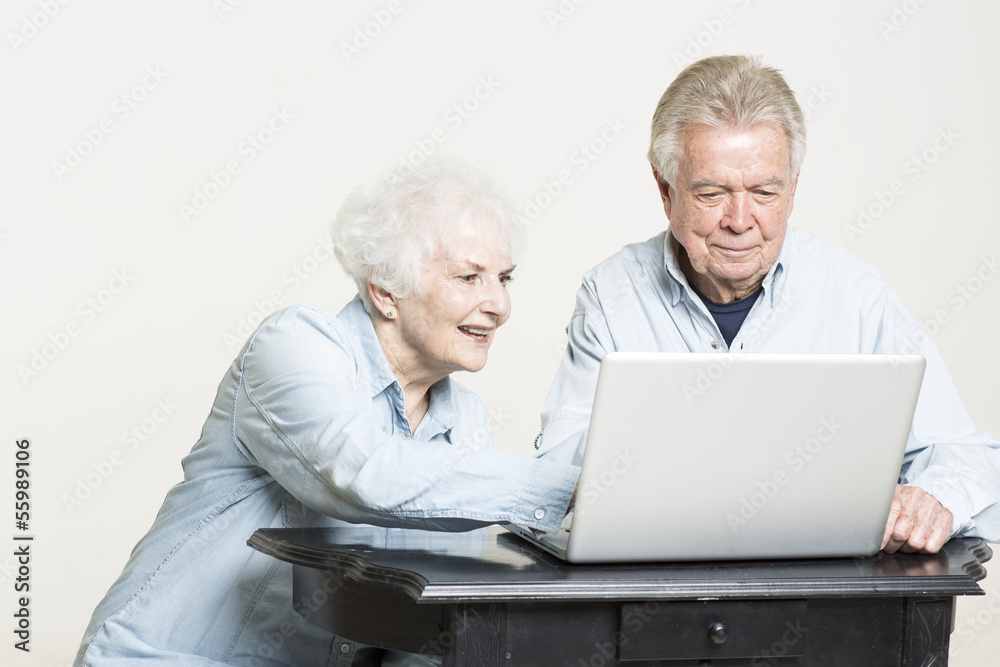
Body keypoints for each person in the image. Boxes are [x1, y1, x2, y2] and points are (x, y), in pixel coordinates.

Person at [74, 159, 578, 666]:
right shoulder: (296, 344)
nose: (499, 304)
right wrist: (572, 489)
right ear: (385, 290)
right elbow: (360, 475)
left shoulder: (463, 421)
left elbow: (430, 618)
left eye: (504, 278)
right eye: (469, 276)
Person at [536, 55, 1000, 555]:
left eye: (764, 192)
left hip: (823, 605)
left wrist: (932, 498)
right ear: (666, 190)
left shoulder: (857, 297)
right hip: (653, 594)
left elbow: (967, 454)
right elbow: (556, 472)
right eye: (712, 193)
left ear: (793, 189)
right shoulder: (610, 296)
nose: (741, 220)